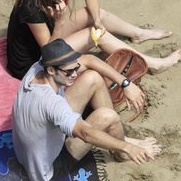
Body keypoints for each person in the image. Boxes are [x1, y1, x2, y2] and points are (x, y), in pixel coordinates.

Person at [7, 0, 181, 80]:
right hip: (33, 62)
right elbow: (49, 51)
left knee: (97, 14)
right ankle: (153, 64)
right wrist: (60, 22)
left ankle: (138, 34)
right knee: (96, 35)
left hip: (50, 34)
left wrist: (97, 20)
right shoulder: (31, 7)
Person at [12, 39, 161, 181]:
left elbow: (89, 60)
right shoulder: (52, 104)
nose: (75, 74)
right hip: (49, 167)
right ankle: (120, 154)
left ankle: (115, 134)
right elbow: (85, 133)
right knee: (108, 116)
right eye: (69, 72)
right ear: (51, 70)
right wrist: (128, 148)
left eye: (75, 68)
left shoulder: (37, 68)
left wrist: (126, 84)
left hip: (28, 150)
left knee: (93, 77)